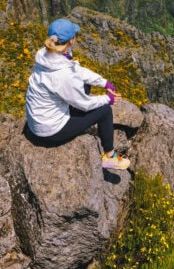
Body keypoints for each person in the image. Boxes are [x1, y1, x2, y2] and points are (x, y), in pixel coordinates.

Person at [25, 18, 130, 170]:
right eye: (74, 35)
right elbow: (85, 104)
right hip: (49, 131)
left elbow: (77, 71)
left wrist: (103, 82)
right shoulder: (62, 74)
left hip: (36, 122)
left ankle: (82, 120)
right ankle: (110, 157)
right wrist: (108, 99)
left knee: (85, 85)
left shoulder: (46, 55)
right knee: (105, 111)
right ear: (71, 41)